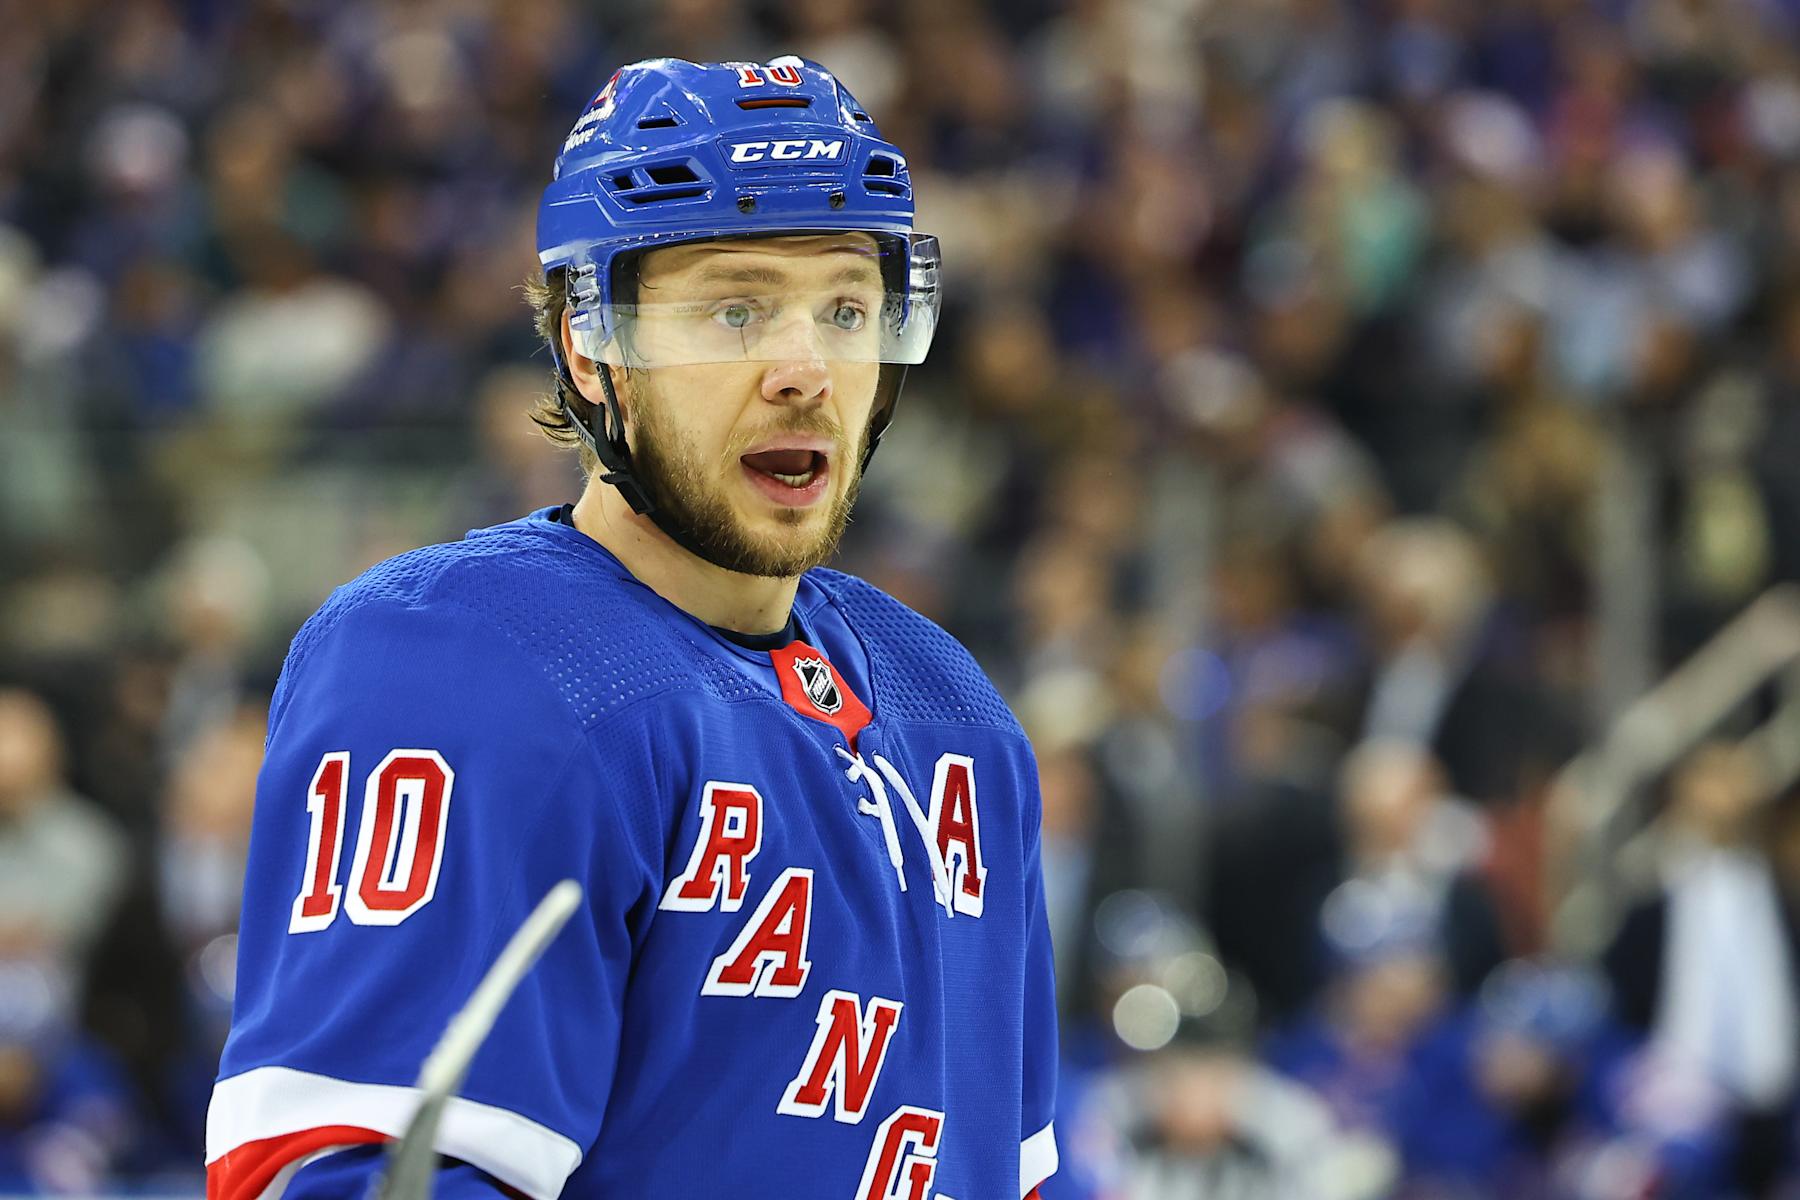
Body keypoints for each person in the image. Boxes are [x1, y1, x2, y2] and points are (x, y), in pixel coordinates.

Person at [203, 56, 1059, 1200]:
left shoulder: (957, 715)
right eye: (735, 308)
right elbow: (354, 1174)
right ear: (590, 347)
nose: (805, 370)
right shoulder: (459, 662)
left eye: (848, 309)